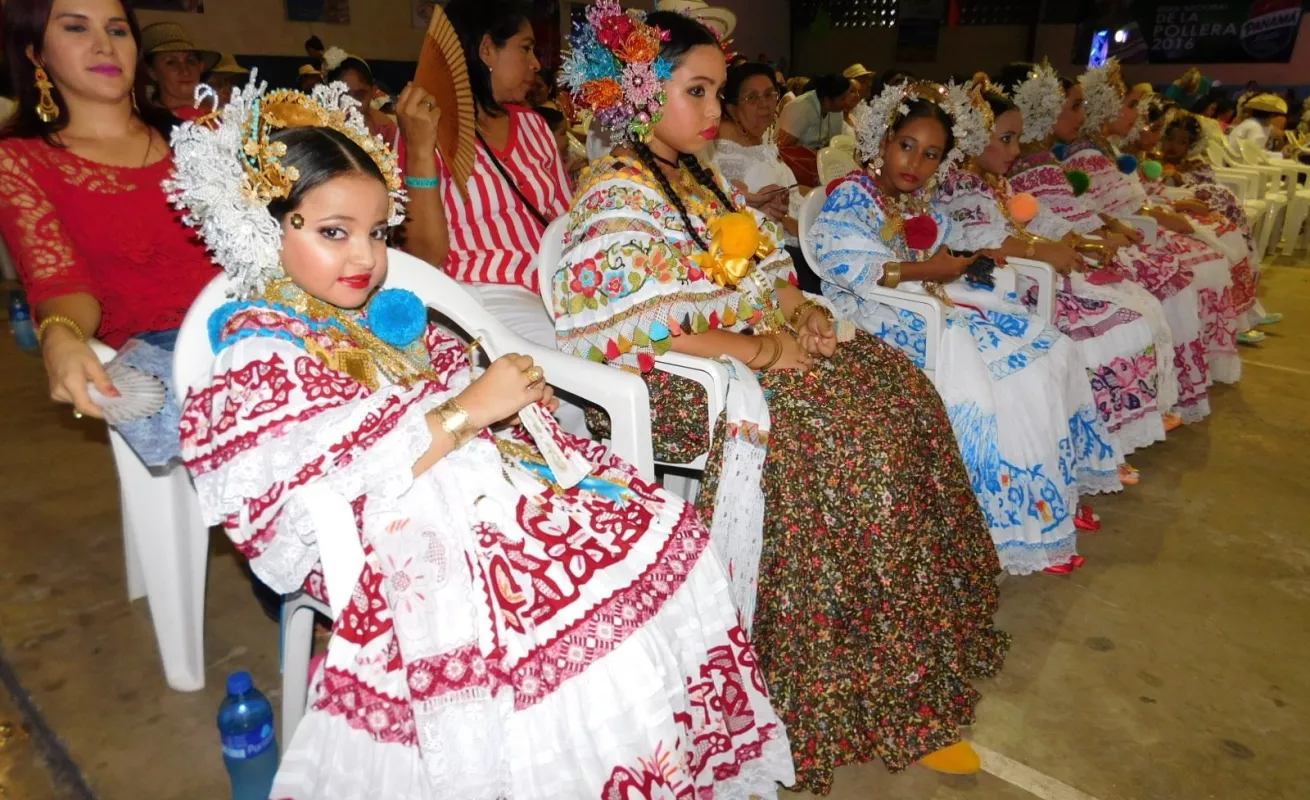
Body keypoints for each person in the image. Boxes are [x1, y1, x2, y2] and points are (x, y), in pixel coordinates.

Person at [170, 72, 793, 799]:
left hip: (464, 479)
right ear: (262, 224)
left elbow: (430, 385)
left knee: (660, 529)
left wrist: (485, 398)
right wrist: (470, 408)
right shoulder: (258, 347)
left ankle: (651, 755)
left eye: (376, 233)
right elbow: (331, 478)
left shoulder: (361, 312)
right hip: (391, 527)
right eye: (334, 233)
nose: (365, 258)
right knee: (566, 620)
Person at [554, 5, 1008, 791]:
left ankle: (914, 648)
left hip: (754, 348)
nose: (713, 111)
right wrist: (767, 349)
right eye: (695, 92)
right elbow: (624, 326)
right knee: (845, 441)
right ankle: (827, 692)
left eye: (717, 92)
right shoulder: (615, 187)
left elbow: (765, 270)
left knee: (902, 391)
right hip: (682, 378)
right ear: (641, 94)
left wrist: (808, 315)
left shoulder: (700, 172)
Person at [811, 80, 1122, 574]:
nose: (915, 164)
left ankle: (1050, 503)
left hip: (934, 302)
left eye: (931, 155)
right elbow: (846, 265)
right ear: (884, 142)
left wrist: (966, 261)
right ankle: (1007, 524)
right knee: (1008, 379)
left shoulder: (921, 201)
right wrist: (926, 271)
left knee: (1052, 353)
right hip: (882, 315)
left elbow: (949, 248)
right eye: (906, 147)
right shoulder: (853, 193)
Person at [0, 0, 215, 463]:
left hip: (269, 326)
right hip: (171, 359)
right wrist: (61, 333)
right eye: (76, 28)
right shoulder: (21, 161)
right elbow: (61, 280)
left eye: (118, 31)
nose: (104, 45)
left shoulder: (197, 135)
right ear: (35, 53)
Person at [936, 76, 1168, 461]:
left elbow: (1043, 219)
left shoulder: (996, 183)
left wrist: (1084, 241)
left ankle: (1110, 441)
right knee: (1111, 331)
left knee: (1135, 314)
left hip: (1030, 275)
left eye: (1017, 138)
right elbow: (985, 241)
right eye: (1006, 138)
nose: (1015, 149)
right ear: (973, 139)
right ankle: (1090, 448)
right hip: (1006, 286)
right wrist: (1044, 251)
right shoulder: (960, 186)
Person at [397, 0, 584, 436]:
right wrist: (422, 151)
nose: (536, 63)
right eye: (526, 48)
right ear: (486, 50)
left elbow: (564, 219)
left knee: (622, 354)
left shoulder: (535, 126)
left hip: (552, 287)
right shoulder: (429, 134)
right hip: (482, 293)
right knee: (572, 382)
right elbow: (426, 255)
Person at [1000, 62, 1209, 426]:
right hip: (1024, 274)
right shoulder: (1019, 164)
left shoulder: (1027, 161)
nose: (1075, 115)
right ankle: (1113, 427)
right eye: (1072, 106)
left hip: (1056, 253)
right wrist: (1086, 239)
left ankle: (1139, 414)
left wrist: (1095, 233)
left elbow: (1055, 214)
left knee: (1149, 297)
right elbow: (1024, 225)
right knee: (1132, 310)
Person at [1073, 59, 1242, 383]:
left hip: (1127, 230)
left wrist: (1160, 211)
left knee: (1213, 251)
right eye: (1131, 105)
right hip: (1124, 235)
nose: (1137, 115)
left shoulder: (1102, 149)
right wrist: (1142, 221)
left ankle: (1184, 373)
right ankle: (1174, 378)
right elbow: (1111, 210)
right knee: (1195, 269)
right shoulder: (1083, 154)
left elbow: (1125, 203)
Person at [1154, 111, 1282, 334]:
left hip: (1194, 209)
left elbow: (1206, 188)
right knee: (1223, 241)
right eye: (1171, 139)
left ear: (1191, 145)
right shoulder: (1151, 162)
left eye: (1182, 142)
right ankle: (1233, 321)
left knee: (1231, 229)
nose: (1174, 146)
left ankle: (1248, 312)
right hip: (1175, 212)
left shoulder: (1195, 165)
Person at [714, 61, 820, 292]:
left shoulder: (758, 137)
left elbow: (789, 187)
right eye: (752, 98)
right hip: (773, 250)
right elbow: (735, 209)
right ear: (731, 108)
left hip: (799, 231)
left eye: (770, 94)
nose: (764, 104)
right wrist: (793, 224)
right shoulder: (727, 149)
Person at [140, 21, 217, 121]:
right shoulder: (145, 125)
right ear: (152, 73)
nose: (185, 71)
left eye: (190, 61)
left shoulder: (217, 121)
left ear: (201, 67)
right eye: (171, 62)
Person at [322, 48, 398, 147]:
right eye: (343, 97)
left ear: (373, 92)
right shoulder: (322, 127)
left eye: (360, 95)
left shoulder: (385, 130)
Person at [776, 72, 853, 150]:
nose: (847, 102)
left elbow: (833, 145)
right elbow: (782, 149)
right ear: (827, 100)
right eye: (843, 99)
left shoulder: (837, 111)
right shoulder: (799, 107)